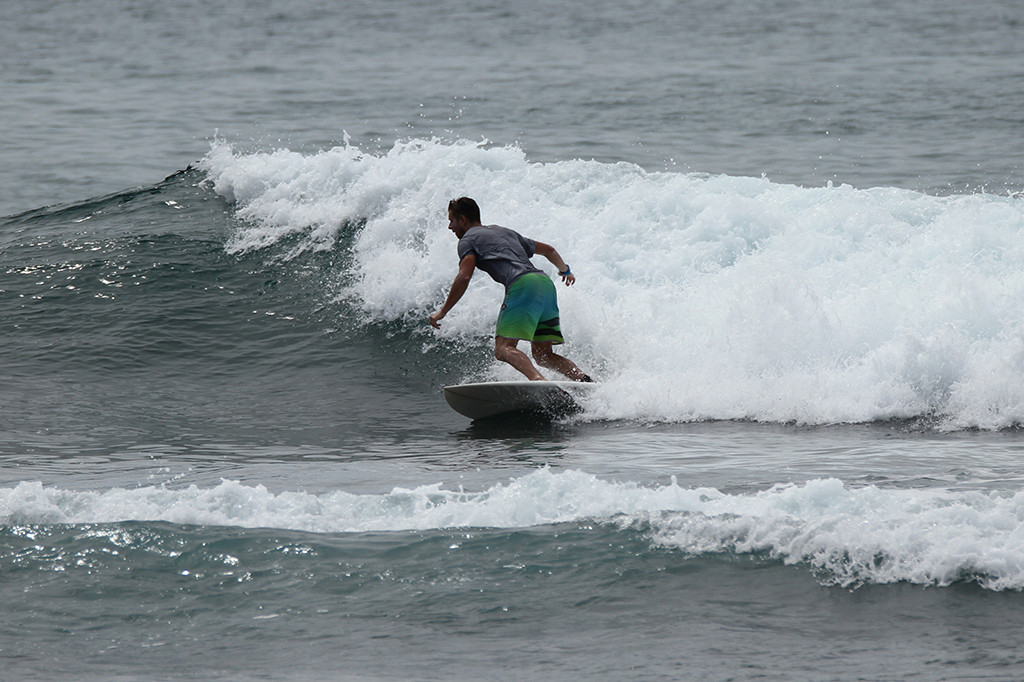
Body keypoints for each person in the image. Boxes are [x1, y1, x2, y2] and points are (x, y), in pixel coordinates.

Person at [429, 197, 593, 382]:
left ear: (463, 219)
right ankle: (583, 379)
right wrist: (565, 270)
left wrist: (443, 311)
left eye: (452, 220)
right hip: (545, 285)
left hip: (523, 286)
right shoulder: (504, 231)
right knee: (543, 355)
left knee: (503, 348)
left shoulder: (468, 240)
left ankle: (538, 381)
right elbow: (549, 250)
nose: (450, 227)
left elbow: (464, 276)